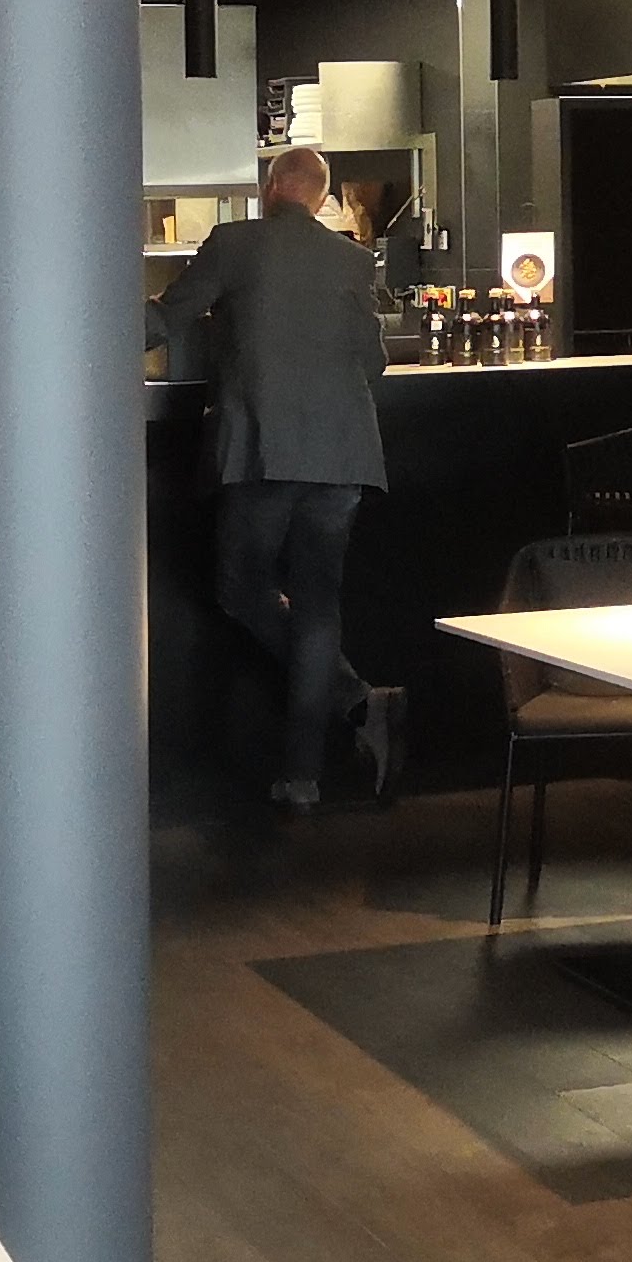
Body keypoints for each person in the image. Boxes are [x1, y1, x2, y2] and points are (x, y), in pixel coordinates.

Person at [147, 145, 393, 812]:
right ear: (319, 197)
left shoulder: (234, 243)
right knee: (318, 607)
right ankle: (306, 773)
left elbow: (163, 319)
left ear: (272, 185)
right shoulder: (352, 259)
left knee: (241, 590)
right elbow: (373, 362)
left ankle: (353, 699)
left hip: (264, 450)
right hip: (342, 456)